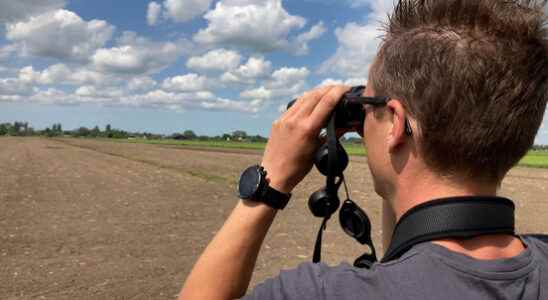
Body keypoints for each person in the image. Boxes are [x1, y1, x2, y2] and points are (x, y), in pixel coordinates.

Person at [179, 0, 548, 299]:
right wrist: (382, 124)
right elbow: (409, 251)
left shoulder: (320, 293)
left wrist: (268, 184)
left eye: (366, 105)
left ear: (397, 123)